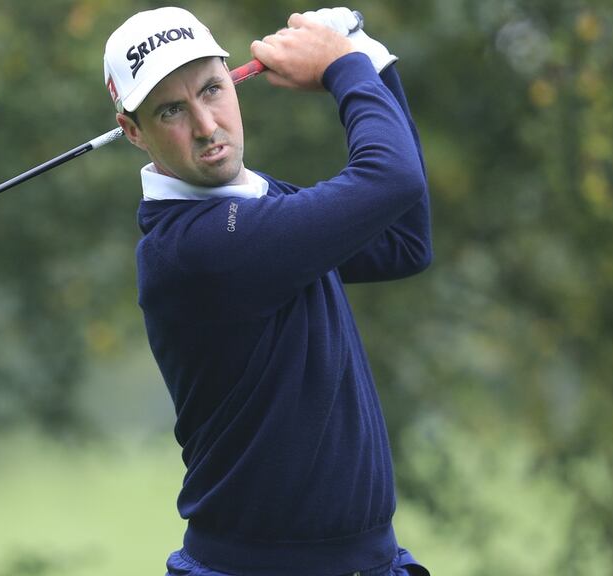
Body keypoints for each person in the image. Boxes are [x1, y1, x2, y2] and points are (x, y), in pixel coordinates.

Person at [102, 6, 432, 576]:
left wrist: (370, 59)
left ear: (236, 83)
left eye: (211, 90)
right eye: (172, 110)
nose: (206, 126)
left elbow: (404, 241)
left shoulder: (256, 207)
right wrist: (345, 66)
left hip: (369, 563)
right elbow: (390, 177)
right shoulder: (199, 248)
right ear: (133, 130)